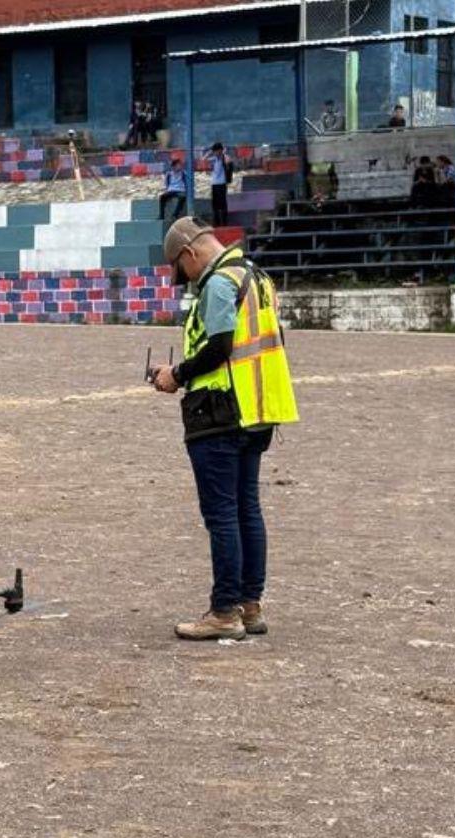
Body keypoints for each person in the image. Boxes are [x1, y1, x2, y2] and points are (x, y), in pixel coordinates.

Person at [150, 217, 299, 640]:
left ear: (191, 253)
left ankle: (224, 611)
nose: (186, 279)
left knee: (222, 515)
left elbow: (219, 347)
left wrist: (176, 374)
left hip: (218, 411)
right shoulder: (256, 276)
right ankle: (250, 606)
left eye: (183, 269)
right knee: (246, 509)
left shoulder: (218, 284)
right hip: (257, 406)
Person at [204, 142, 230, 227]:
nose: (215, 153)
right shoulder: (214, 159)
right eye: (214, 151)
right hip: (214, 184)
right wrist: (210, 152)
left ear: (220, 150)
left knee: (222, 204)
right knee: (215, 205)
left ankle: (224, 223)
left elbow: (228, 162)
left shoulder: (224, 158)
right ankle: (217, 223)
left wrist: (223, 153)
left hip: (221, 184)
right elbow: (203, 159)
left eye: (216, 151)